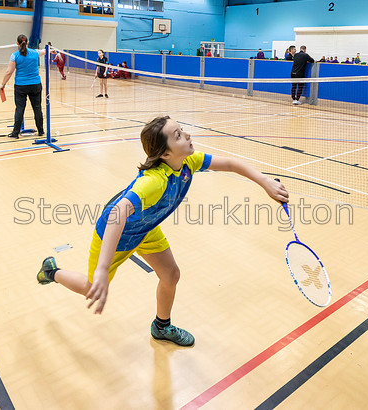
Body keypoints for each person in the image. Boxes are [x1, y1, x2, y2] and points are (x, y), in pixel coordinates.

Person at [36, 115, 289, 346]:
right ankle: (52, 271)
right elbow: (117, 213)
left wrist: (265, 181)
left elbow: (231, 164)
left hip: (146, 229)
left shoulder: (190, 162)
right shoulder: (154, 182)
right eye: (178, 135)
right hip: (116, 235)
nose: (187, 135)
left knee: (171, 274)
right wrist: (102, 269)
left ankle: (161, 326)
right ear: (165, 154)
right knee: (91, 287)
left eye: (182, 130)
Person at [0, 34, 45, 139]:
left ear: (17, 43)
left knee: (20, 109)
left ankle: (15, 133)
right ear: (28, 42)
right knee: (37, 108)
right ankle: (41, 131)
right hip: (35, 85)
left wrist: (3, 84)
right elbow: (44, 51)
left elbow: (9, 72)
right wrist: (51, 50)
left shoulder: (14, 55)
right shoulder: (35, 53)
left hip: (21, 86)